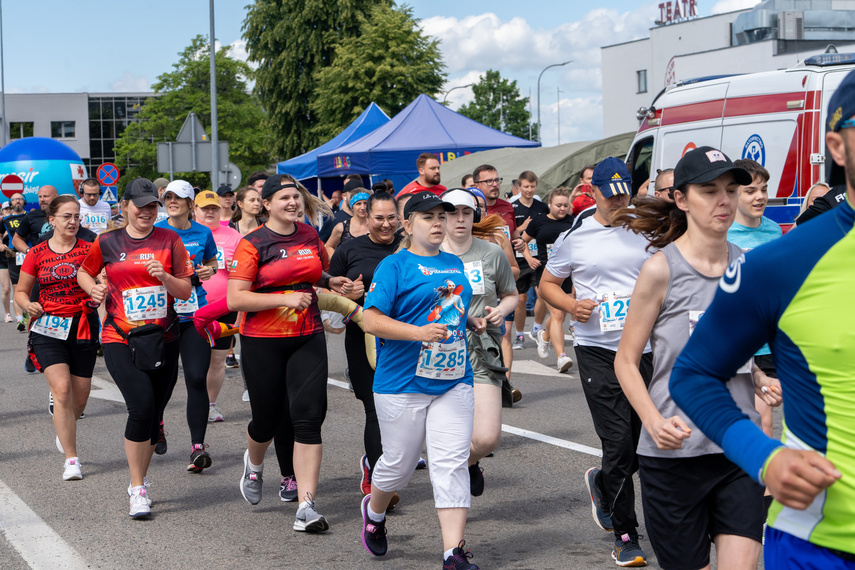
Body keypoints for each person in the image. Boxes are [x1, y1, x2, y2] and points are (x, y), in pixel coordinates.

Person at [670, 70, 855, 568]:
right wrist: (763, 456)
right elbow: (693, 374)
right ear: (837, 146)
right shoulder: (782, 264)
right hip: (823, 545)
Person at [613, 146, 770, 570]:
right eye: (708, 190)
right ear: (681, 199)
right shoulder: (661, 270)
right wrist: (652, 420)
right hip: (674, 455)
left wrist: (758, 377)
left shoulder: (749, 269)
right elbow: (626, 361)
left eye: (730, 189)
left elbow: (733, 350)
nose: (724, 200)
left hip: (737, 447)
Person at [539, 157, 654, 567]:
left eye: (625, 192)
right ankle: (626, 534)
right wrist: (572, 305)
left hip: (643, 349)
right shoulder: (578, 234)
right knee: (618, 442)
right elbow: (547, 283)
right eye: (612, 194)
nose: (620, 201)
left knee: (644, 444)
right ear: (596, 193)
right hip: (597, 349)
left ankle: (603, 482)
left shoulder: (646, 228)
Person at [360, 191, 482, 569]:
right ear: (408, 224)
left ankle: (453, 552)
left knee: (450, 462)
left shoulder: (452, 263)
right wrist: (419, 334)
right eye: (428, 217)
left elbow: (449, 308)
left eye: (442, 217)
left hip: (453, 377)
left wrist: (470, 321)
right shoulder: (394, 267)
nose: (438, 223)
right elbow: (371, 320)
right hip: (401, 381)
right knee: (400, 463)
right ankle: (375, 514)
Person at [229, 173, 352, 532]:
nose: (293, 203)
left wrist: (331, 282)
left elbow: (315, 271)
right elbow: (236, 298)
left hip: (307, 335)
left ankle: (306, 506)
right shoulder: (253, 243)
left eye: (296, 197)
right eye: (284, 198)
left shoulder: (309, 234)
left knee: (308, 417)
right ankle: (254, 465)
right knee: (267, 420)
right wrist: (284, 298)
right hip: (262, 341)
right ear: (266, 204)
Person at [77, 177, 194, 519]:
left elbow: (185, 291)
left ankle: (141, 472)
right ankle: (138, 487)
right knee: (140, 407)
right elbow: (86, 272)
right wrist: (93, 291)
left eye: (151, 206)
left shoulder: (170, 239)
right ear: (124, 206)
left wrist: (166, 279)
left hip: (163, 337)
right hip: (119, 336)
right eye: (139, 205)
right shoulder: (108, 241)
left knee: (154, 411)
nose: (146, 211)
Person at [15, 195, 99, 481]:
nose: (73, 221)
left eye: (77, 216)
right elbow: (21, 291)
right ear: (52, 220)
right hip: (48, 327)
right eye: (67, 216)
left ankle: (65, 428)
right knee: (62, 391)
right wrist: (28, 305)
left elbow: (104, 279)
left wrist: (101, 289)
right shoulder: (36, 253)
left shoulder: (90, 249)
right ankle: (71, 458)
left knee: (80, 398)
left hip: (83, 325)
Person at [441, 188, 518, 497]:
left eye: (466, 213)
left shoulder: (491, 252)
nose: (460, 219)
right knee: (449, 432)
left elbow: (510, 294)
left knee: (486, 438)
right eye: (453, 213)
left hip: (481, 349)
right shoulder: (426, 254)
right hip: (439, 351)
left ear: (475, 215)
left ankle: (464, 463)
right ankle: (452, 482)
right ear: (441, 216)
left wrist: (500, 311)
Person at [329, 192, 402, 500]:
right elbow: (330, 304)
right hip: (365, 340)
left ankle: (385, 464)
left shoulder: (409, 248)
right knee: (375, 410)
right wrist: (350, 294)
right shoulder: (349, 250)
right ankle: (378, 478)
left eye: (391, 218)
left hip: (407, 339)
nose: (385, 225)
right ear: (366, 217)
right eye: (379, 218)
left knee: (403, 412)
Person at [154, 180, 218, 470]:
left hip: (195, 314)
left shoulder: (203, 232)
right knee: (161, 381)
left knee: (195, 378)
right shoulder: (156, 232)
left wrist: (208, 270)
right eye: (168, 197)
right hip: (161, 314)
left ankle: (197, 447)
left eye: (179, 197)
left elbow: (212, 263)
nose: (172, 201)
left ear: (191, 204)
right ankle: (156, 423)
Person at [727, 159, 783, 440]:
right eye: (750, 191)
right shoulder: (722, 233)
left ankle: (762, 483)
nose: (760, 196)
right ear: (733, 193)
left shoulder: (774, 230)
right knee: (755, 421)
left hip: (770, 339)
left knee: (767, 422)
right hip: (738, 338)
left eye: (763, 189)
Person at [194, 190, 243, 423]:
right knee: (195, 360)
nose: (210, 212)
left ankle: (210, 405)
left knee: (217, 360)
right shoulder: (187, 234)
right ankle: (195, 403)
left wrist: (236, 267)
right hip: (192, 307)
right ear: (195, 210)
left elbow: (246, 273)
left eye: (214, 208)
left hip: (225, 307)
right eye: (205, 208)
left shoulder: (233, 236)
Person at [522, 187, 575, 372]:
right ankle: (562, 357)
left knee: (560, 314)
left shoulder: (573, 222)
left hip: (567, 274)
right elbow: (523, 240)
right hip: (546, 274)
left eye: (565, 205)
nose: (562, 209)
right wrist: (529, 258)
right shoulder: (539, 222)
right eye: (558, 205)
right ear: (550, 205)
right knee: (558, 315)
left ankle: (545, 336)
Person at [512, 171, 549, 351]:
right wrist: (523, 227)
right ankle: (519, 334)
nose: (529, 190)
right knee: (520, 299)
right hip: (519, 258)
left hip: (538, 257)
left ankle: (537, 328)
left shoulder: (542, 207)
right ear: (519, 187)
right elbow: (509, 232)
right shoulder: (512, 207)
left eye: (532, 186)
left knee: (542, 294)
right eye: (526, 186)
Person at [3, 193, 28, 327]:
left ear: (24, 201)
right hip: (14, 256)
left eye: (19, 199)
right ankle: (19, 319)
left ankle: (28, 311)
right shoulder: (6, 220)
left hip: (31, 254)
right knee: (16, 287)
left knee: (33, 286)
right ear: (10, 202)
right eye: (14, 200)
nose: (17, 201)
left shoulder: (30, 216)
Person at [324, 189, 370, 258]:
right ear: (352, 207)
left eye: (365, 203)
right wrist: (337, 263)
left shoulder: (376, 225)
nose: (363, 207)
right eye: (358, 204)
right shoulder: (342, 227)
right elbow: (329, 246)